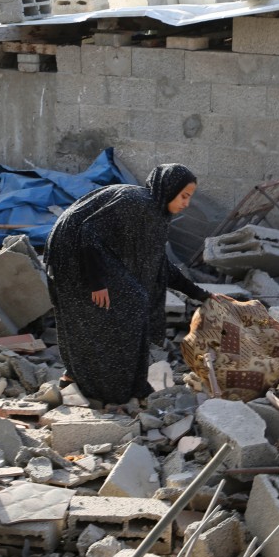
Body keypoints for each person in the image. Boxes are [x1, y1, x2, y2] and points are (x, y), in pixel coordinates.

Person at [44, 163, 213, 406]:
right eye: (184, 196)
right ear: (170, 188)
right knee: (127, 304)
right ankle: (107, 388)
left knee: (121, 308)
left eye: (189, 197)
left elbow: (160, 266)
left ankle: (115, 383)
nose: (186, 203)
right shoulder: (138, 203)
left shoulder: (155, 215)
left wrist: (201, 294)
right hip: (71, 251)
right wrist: (97, 283)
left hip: (93, 252)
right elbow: (88, 233)